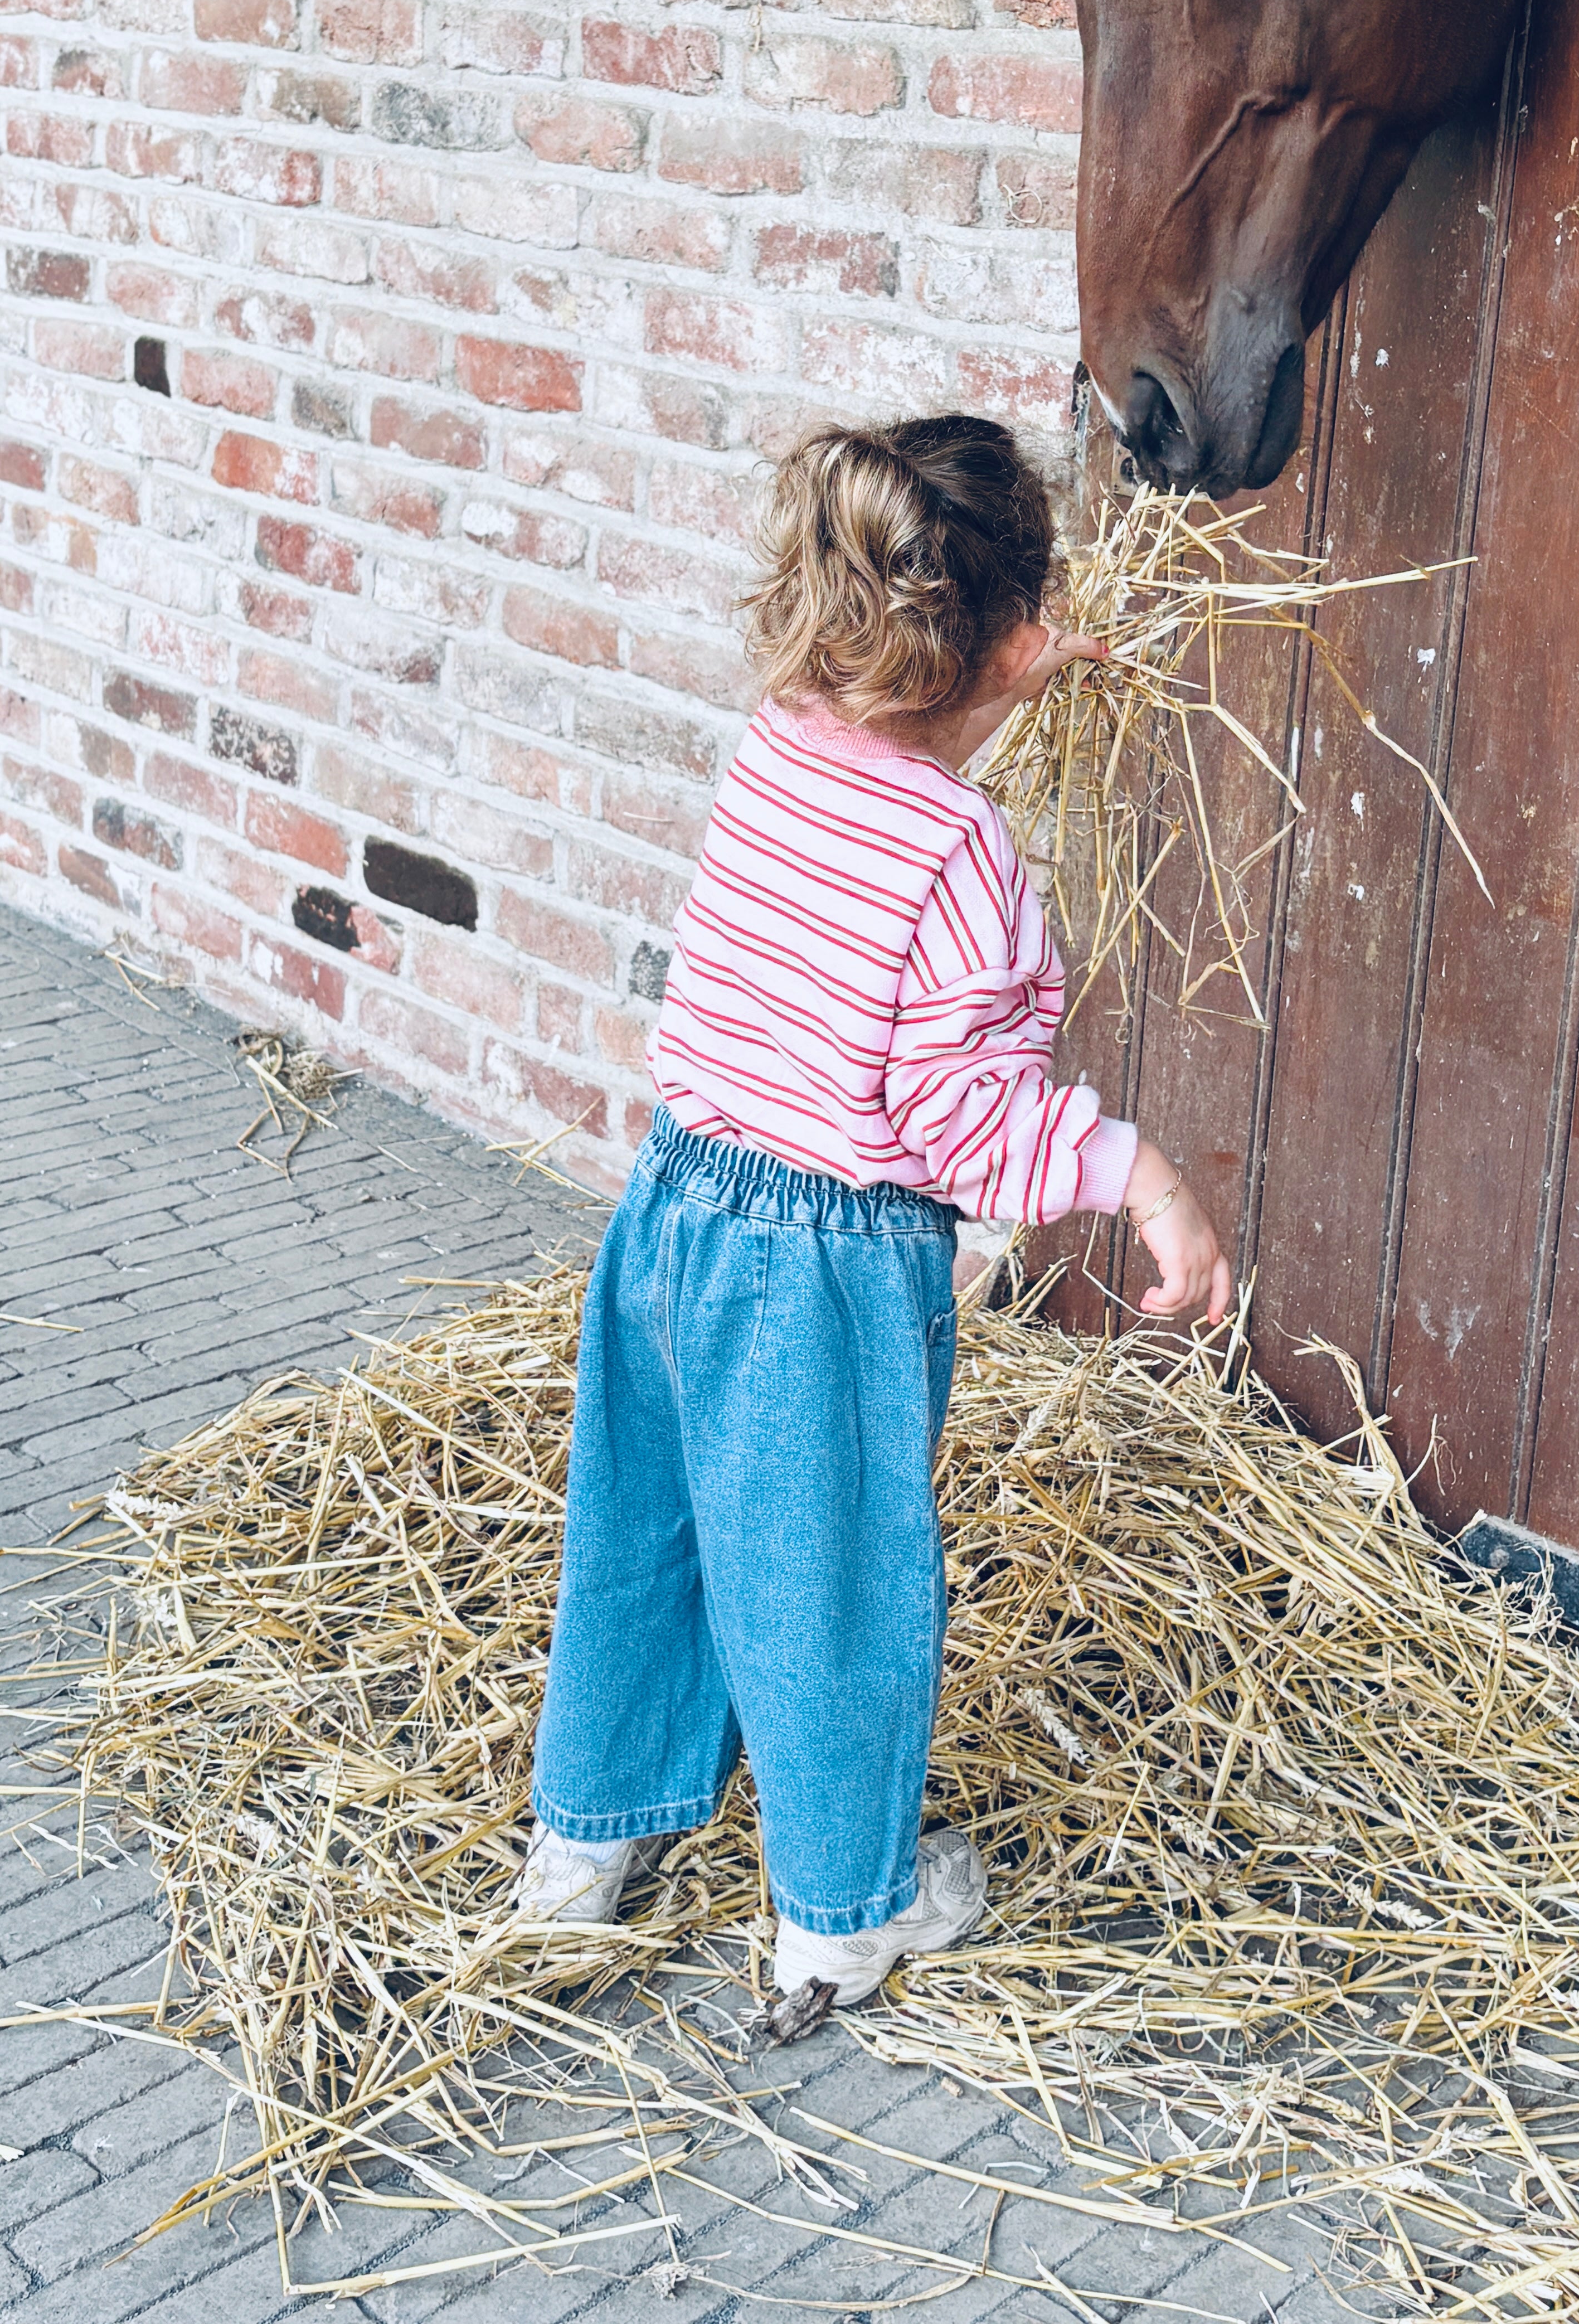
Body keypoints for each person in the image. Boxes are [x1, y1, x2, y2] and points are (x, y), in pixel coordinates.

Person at [513, 413, 1232, 2010]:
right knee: (824, 1574)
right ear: (1021, 635)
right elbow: (960, 1123)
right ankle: (845, 1907)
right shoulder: (965, 852)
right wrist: (1140, 1176)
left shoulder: (778, 739)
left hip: (674, 1207)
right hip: (820, 1266)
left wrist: (997, 665)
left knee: (648, 1529)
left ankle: (583, 1845)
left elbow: (885, 751)